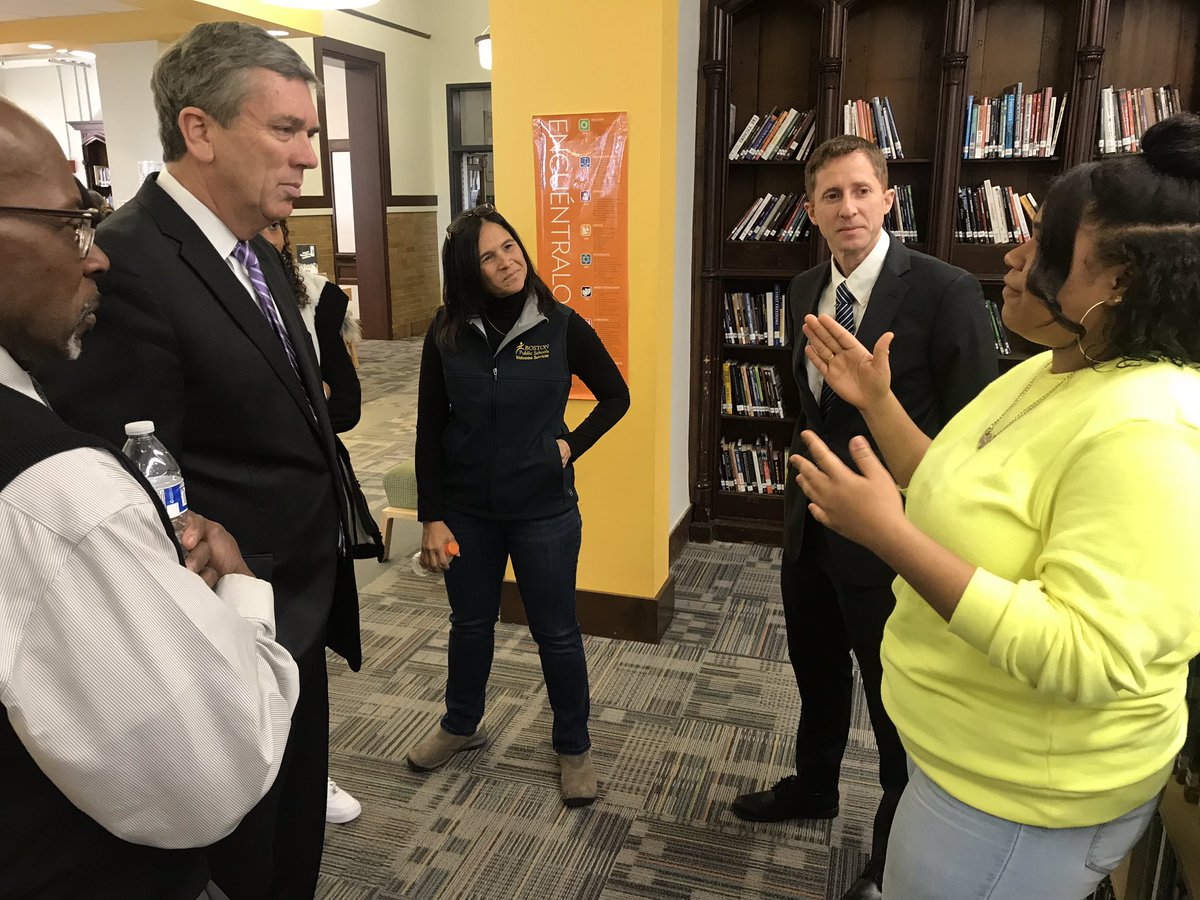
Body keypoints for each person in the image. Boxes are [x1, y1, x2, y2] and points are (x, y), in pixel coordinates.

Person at [794, 113, 1200, 899]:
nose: (1013, 254)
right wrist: (878, 403)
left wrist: (887, 534)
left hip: (1018, 796)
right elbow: (955, 479)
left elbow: (1090, 655)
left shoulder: (1154, 432)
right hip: (962, 753)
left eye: (1043, 244)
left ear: (1117, 281)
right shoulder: (1058, 367)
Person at [39, 22, 363, 899]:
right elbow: (134, 477)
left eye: (310, 131)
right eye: (286, 130)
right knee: (248, 858)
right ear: (200, 129)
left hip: (294, 599)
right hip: (222, 626)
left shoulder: (253, 248)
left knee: (291, 836)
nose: (307, 157)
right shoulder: (132, 262)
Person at [0, 97, 299, 899]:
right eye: (72, 224)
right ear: (200, 131)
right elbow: (211, 772)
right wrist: (234, 588)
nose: (92, 255)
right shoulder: (52, 492)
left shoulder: (264, 257)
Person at [730, 134, 997, 899]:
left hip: (891, 543)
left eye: (860, 191)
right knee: (816, 672)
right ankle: (814, 785)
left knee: (893, 701)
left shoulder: (944, 290)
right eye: (830, 196)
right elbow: (801, 408)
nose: (847, 207)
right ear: (811, 211)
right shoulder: (802, 285)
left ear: (888, 198)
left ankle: (894, 842)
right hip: (808, 528)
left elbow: (971, 431)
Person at [409, 203, 629, 806]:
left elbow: (616, 396)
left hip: (543, 512)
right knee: (469, 624)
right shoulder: (447, 332)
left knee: (557, 632)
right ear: (467, 271)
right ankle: (460, 725)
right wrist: (433, 514)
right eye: (489, 256)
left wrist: (568, 446)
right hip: (467, 513)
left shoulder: (559, 324)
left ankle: (574, 745)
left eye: (510, 246)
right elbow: (431, 428)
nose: (508, 261)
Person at [262, 217, 363, 825]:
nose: (267, 238)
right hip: (233, 509)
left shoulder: (316, 295)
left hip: (310, 498)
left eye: (277, 228)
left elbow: (345, 406)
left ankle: (307, 774)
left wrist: (306, 404)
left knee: (303, 642)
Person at [262, 219, 361, 432]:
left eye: (273, 226)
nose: (268, 241)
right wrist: (316, 393)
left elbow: (346, 407)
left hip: (313, 453)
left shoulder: (320, 297)